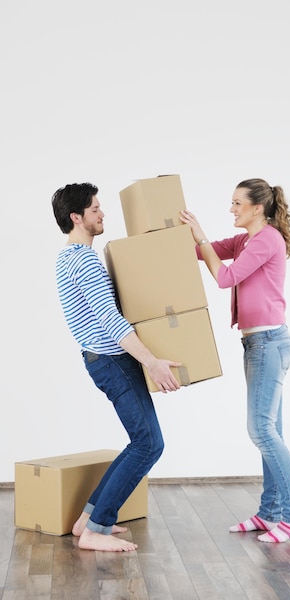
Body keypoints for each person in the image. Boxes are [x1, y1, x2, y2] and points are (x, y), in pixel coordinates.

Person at [52, 182, 181, 552]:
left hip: (102, 360)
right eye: (95, 209)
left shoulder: (65, 258)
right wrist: (152, 362)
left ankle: (88, 518)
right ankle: (95, 529)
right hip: (113, 362)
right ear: (76, 217)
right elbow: (110, 320)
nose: (102, 213)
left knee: (140, 442)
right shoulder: (84, 259)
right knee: (149, 444)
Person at [180, 178, 290, 543]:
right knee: (272, 431)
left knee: (262, 431)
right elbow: (202, 251)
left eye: (238, 203)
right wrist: (175, 238)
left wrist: (201, 237)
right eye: (232, 203)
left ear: (258, 208)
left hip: (269, 343)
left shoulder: (268, 239)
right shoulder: (245, 240)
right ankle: (270, 513)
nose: (232, 209)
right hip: (258, 344)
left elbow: (225, 277)